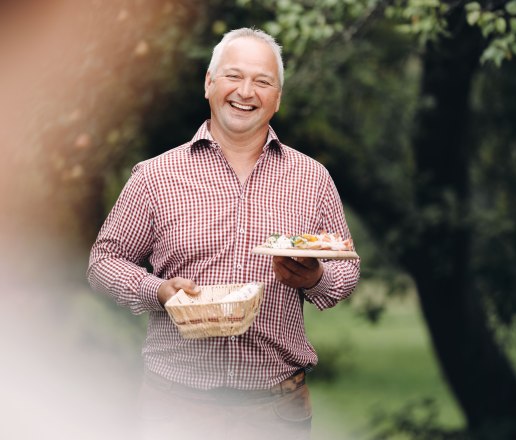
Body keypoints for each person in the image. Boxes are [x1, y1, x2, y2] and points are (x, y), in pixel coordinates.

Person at [87, 27, 360, 439]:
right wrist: (157, 291)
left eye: (263, 81)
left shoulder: (312, 178)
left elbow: (346, 271)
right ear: (209, 83)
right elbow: (103, 261)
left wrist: (317, 277)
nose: (245, 91)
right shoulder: (155, 176)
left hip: (275, 409)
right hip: (175, 408)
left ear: (277, 98)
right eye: (233, 76)